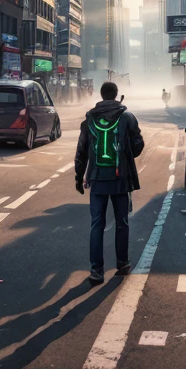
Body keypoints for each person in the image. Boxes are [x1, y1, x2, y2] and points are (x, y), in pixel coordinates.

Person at [74, 80, 144, 285]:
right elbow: (138, 144)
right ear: (115, 95)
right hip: (120, 178)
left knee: (97, 224)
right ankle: (122, 264)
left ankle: (96, 270)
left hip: (96, 178)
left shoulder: (89, 118)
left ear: (101, 95)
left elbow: (82, 151)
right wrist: (126, 154)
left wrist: (79, 177)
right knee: (122, 223)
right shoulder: (127, 117)